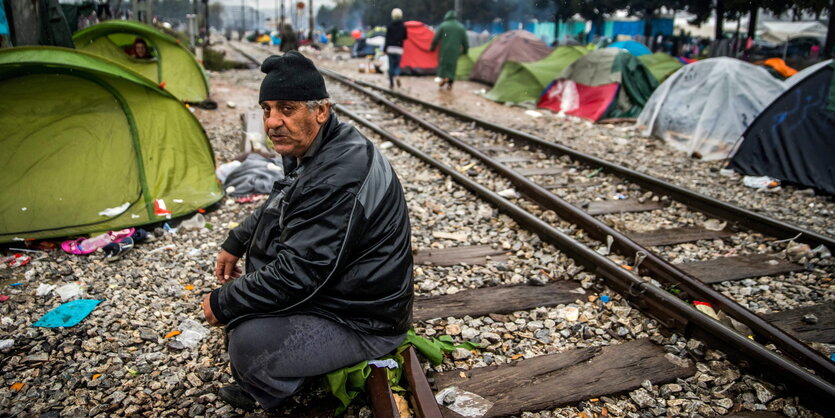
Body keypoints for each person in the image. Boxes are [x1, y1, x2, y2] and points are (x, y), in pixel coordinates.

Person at [201, 51, 414, 411]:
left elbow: (300, 273)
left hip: (364, 318)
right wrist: (238, 239)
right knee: (246, 311)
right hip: (342, 290)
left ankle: (288, 396)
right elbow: (282, 203)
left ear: (321, 110)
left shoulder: (339, 173)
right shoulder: (320, 146)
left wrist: (226, 302)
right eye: (267, 109)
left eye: (287, 108)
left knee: (248, 346)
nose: (272, 122)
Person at [430, 10, 467, 90]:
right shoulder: (460, 27)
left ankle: (444, 78)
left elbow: (436, 38)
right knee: (452, 66)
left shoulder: (443, 25)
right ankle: (450, 82)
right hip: (455, 50)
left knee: (444, 65)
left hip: (444, 50)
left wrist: (432, 47)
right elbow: (465, 41)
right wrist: (465, 51)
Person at [384, 8, 407, 89]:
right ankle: (397, 75)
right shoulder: (403, 26)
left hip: (390, 48)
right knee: (397, 65)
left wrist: (384, 49)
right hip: (399, 49)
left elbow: (387, 39)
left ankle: (391, 84)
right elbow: (405, 37)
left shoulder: (389, 26)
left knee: (391, 66)